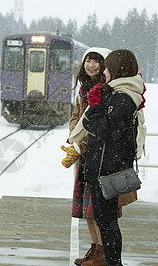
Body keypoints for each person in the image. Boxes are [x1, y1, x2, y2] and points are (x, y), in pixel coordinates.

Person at [81, 49, 146, 266]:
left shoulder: (122, 98)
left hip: (108, 168)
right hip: (103, 166)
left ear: (116, 69)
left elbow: (105, 131)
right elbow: (100, 128)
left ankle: (113, 263)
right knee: (105, 221)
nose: (104, 71)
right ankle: (111, 262)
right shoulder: (117, 94)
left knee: (108, 223)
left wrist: (95, 107)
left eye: (107, 67)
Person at [61, 47, 112, 266]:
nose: (91, 65)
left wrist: (83, 140)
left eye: (96, 62)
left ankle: (102, 252)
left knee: (97, 208)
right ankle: (95, 248)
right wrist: (75, 136)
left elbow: (99, 124)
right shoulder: (83, 89)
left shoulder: (106, 89)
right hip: (83, 153)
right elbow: (75, 116)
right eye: (88, 61)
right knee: (87, 209)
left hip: (97, 155)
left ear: (104, 65)